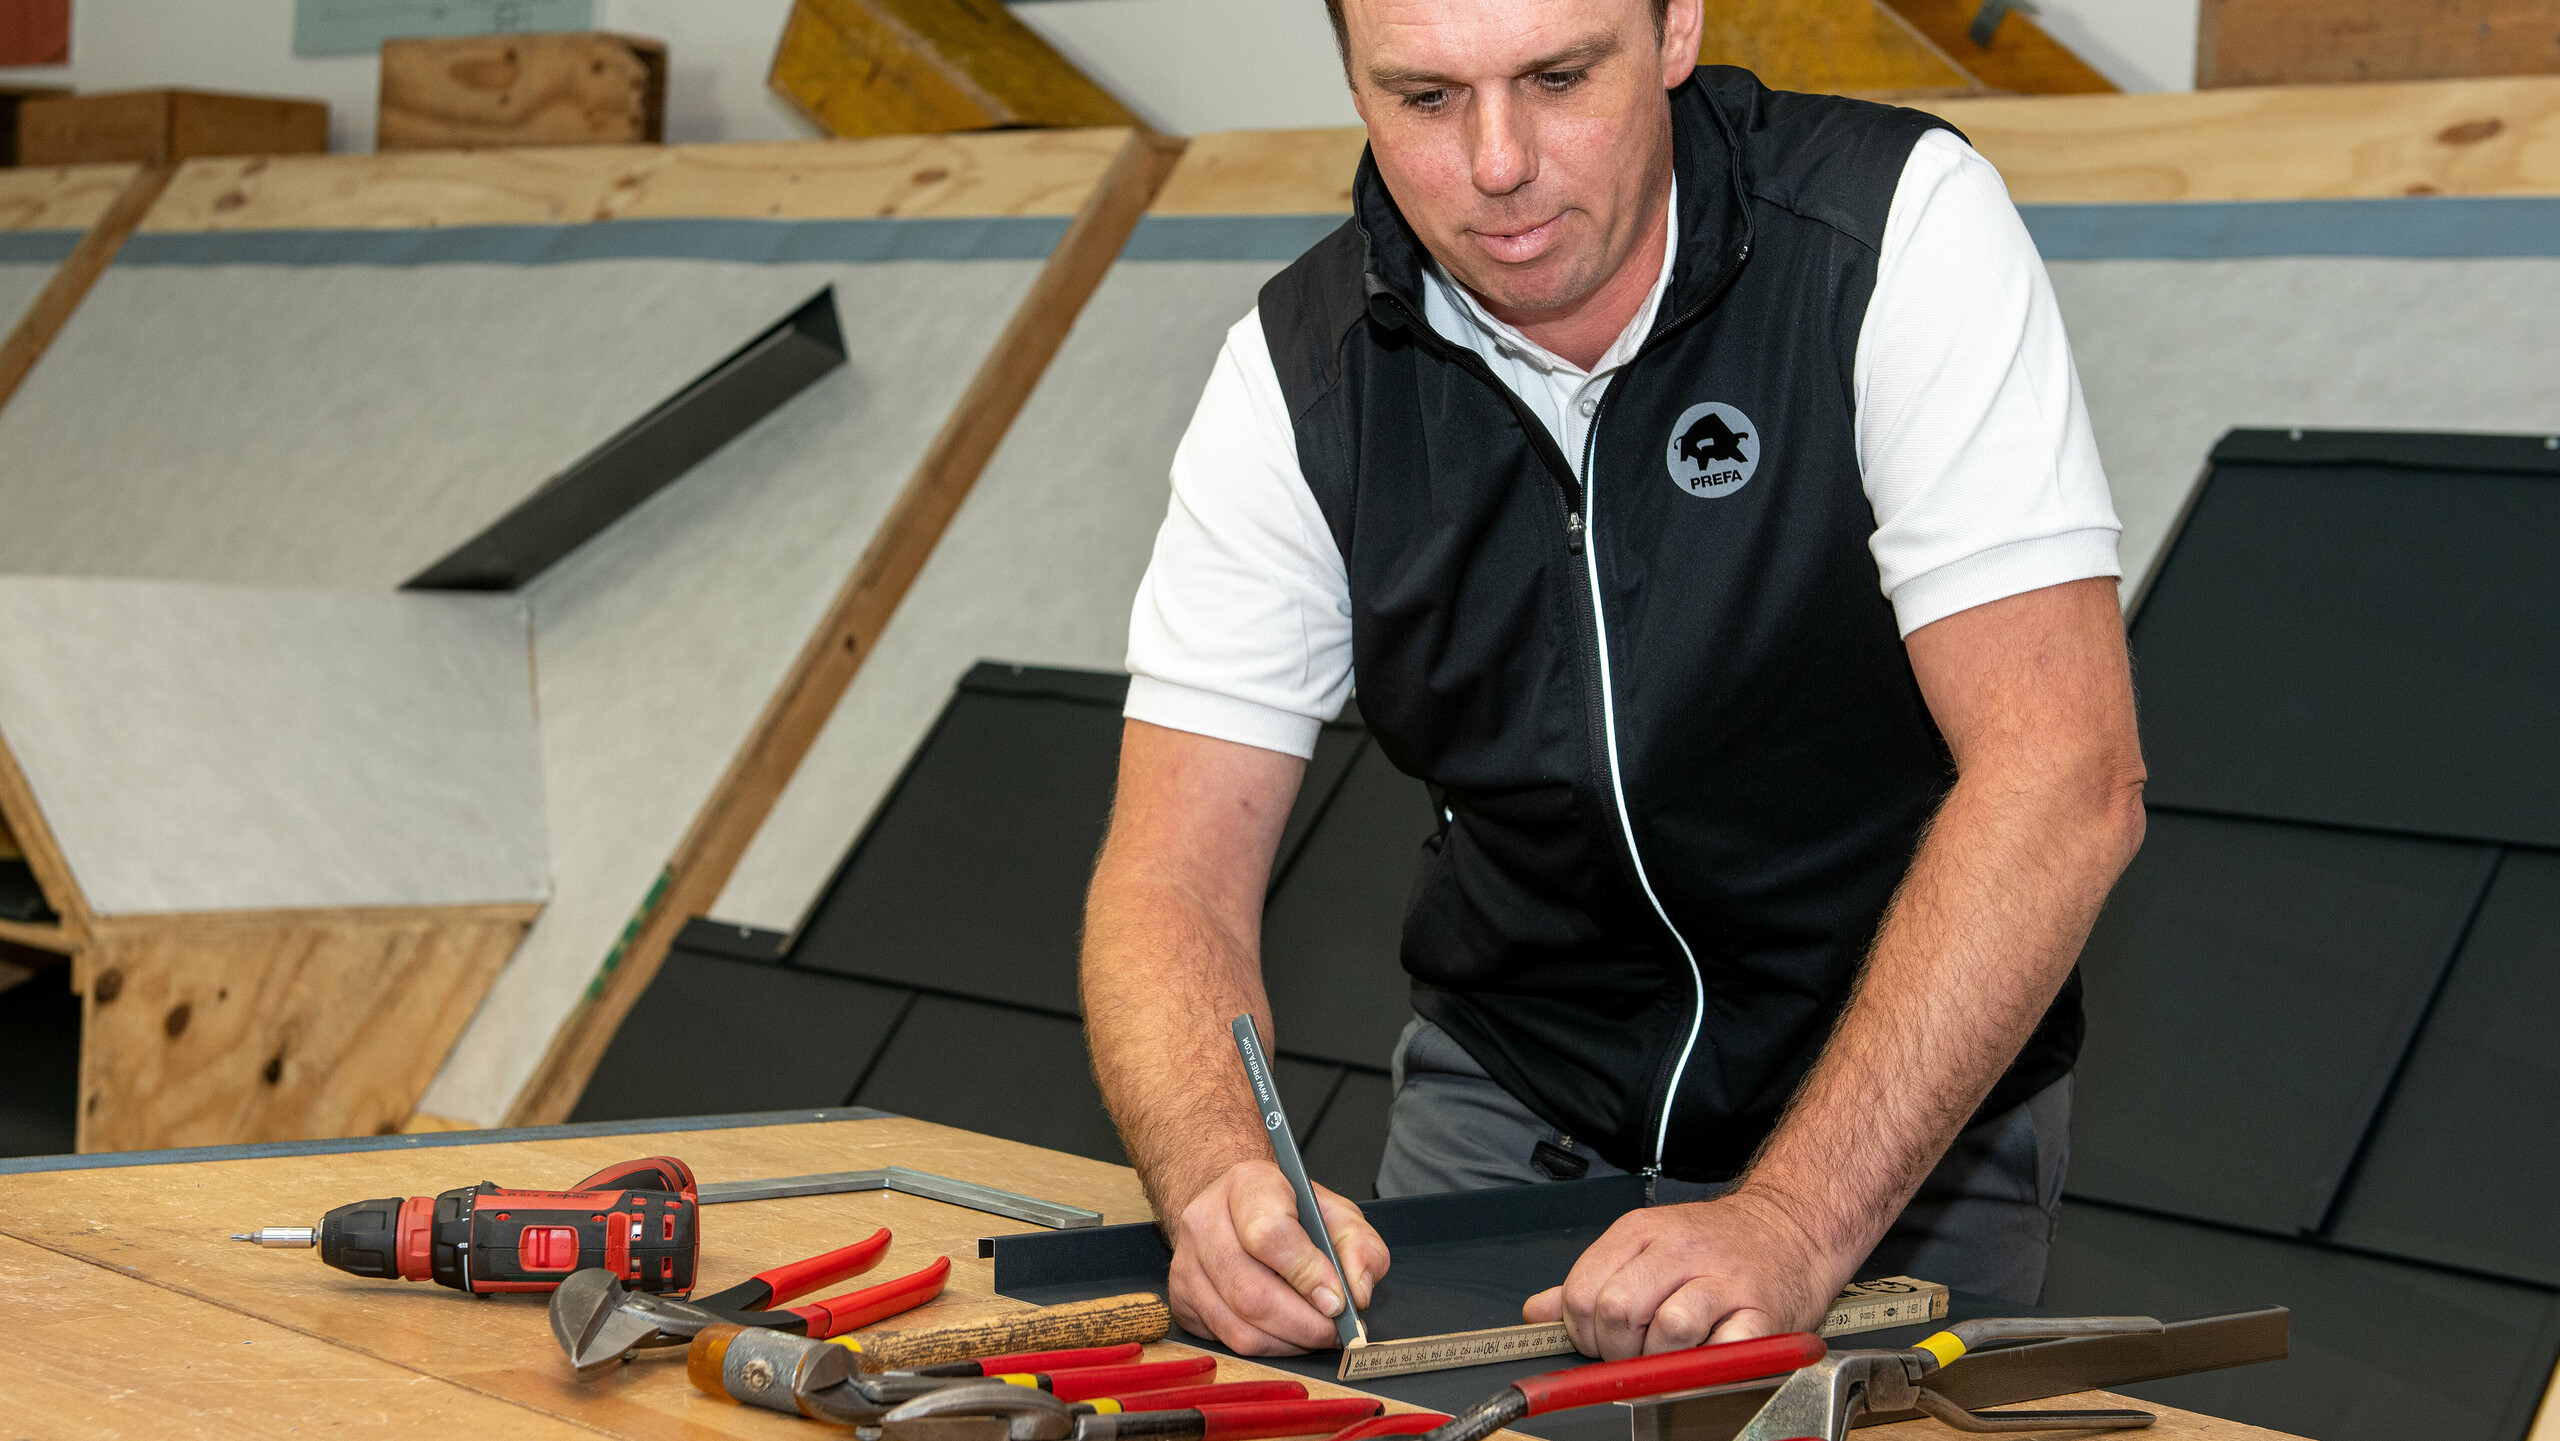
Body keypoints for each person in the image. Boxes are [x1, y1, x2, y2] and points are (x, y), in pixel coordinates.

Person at [1080, 0, 2145, 1363]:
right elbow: (1169, 872)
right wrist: (1215, 1171)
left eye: (1559, 76)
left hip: (1896, 1128)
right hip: (1514, 1101)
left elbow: (2065, 775)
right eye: (1422, 99)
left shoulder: (1892, 237)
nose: (1499, 160)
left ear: (1677, 26)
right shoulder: (1299, 374)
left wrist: (1794, 1219)